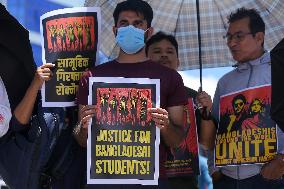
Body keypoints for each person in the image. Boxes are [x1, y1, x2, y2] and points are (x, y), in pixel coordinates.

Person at [74, 0, 187, 188]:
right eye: (124, 23)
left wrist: (166, 126)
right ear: (115, 30)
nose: (130, 28)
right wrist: (83, 126)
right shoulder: (92, 77)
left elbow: (177, 140)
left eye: (137, 24)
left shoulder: (170, 78)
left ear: (148, 32)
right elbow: (82, 141)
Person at [201, 7, 284, 189]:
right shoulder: (225, 82)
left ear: (259, 37)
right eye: (229, 37)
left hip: (270, 179)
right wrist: (214, 169)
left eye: (239, 36)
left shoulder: (278, 69)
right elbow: (215, 134)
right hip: (226, 181)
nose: (232, 43)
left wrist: (281, 161)